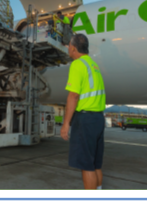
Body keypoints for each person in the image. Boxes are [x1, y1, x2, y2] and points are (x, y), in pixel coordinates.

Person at [60, 34, 106, 190]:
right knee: (95, 164)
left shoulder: (78, 64)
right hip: (98, 119)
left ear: (73, 48)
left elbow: (73, 95)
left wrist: (66, 124)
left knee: (86, 165)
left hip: (85, 119)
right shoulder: (93, 65)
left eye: (68, 46)